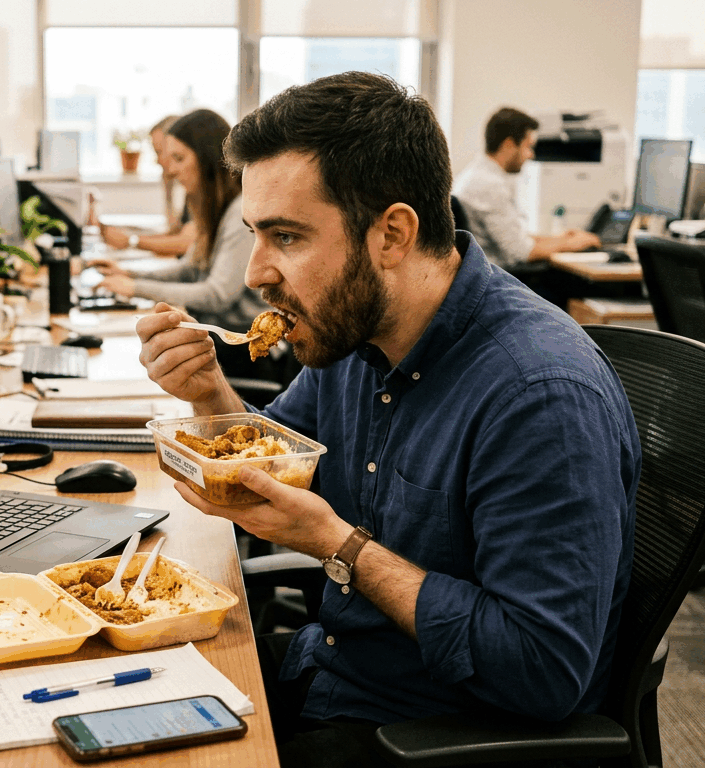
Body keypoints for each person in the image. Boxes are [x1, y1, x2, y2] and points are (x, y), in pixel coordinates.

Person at [135, 73, 639, 768]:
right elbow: (271, 466)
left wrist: (341, 547)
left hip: (425, 733)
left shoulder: (541, 395)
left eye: (286, 236)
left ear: (393, 235)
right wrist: (208, 391)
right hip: (332, 673)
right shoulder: (352, 333)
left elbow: (543, 670)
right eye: (255, 235)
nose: (255, 273)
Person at [92, 108, 272, 379]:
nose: (170, 168)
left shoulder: (240, 213)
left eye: (178, 158)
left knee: (139, 365)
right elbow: (189, 269)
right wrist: (128, 275)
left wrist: (134, 288)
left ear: (207, 159)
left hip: (243, 349)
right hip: (218, 338)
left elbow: (218, 296)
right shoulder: (214, 207)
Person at [453, 107, 601, 305]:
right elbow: (521, 252)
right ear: (508, 145)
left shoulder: (478, 175)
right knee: (585, 286)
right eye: (528, 146)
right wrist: (571, 244)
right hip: (502, 284)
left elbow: (516, 236)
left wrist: (560, 239)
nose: (531, 155)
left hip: (493, 278)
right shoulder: (490, 185)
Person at [98, 114, 196, 257]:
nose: (157, 161)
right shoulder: (178, 186)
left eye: (159, 152)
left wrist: (131, 241)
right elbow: (175, 231)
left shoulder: (196, 188)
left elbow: (185, 243)